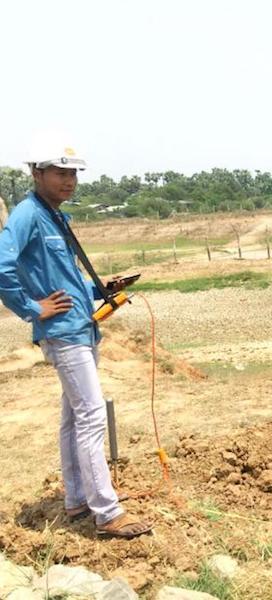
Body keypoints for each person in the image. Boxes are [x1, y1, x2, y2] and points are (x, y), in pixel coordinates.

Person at [0, 143, 152, 539]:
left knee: (73, 417)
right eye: (59, 173)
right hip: (64, 334)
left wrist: (99, 287)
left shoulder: (54, 217)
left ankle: (77, 498)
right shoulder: (27, 215)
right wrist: (33, 308)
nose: (69, 181)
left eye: (73, 174)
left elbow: (62, 278)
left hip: (80, 328)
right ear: (37, 173)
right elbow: (2, 266)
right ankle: (106, 511)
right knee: (92, 415)